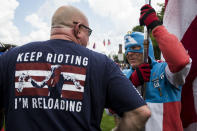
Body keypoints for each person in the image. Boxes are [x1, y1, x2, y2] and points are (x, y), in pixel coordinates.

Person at [0, 5, 151, 131]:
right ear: (78, 29)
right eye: (89, 32)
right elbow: (140, 113)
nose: (88, 38)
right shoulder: (101, 63)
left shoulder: (8, 58)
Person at [122, 4, 192, 131]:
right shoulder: (124, 75)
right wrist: (131, 83)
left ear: (146, 49)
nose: (129, 53)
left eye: (135, 48)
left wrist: (155, 26)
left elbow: (181, 60)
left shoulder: (164, 70)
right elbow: (109, 108)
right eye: (127, 50)